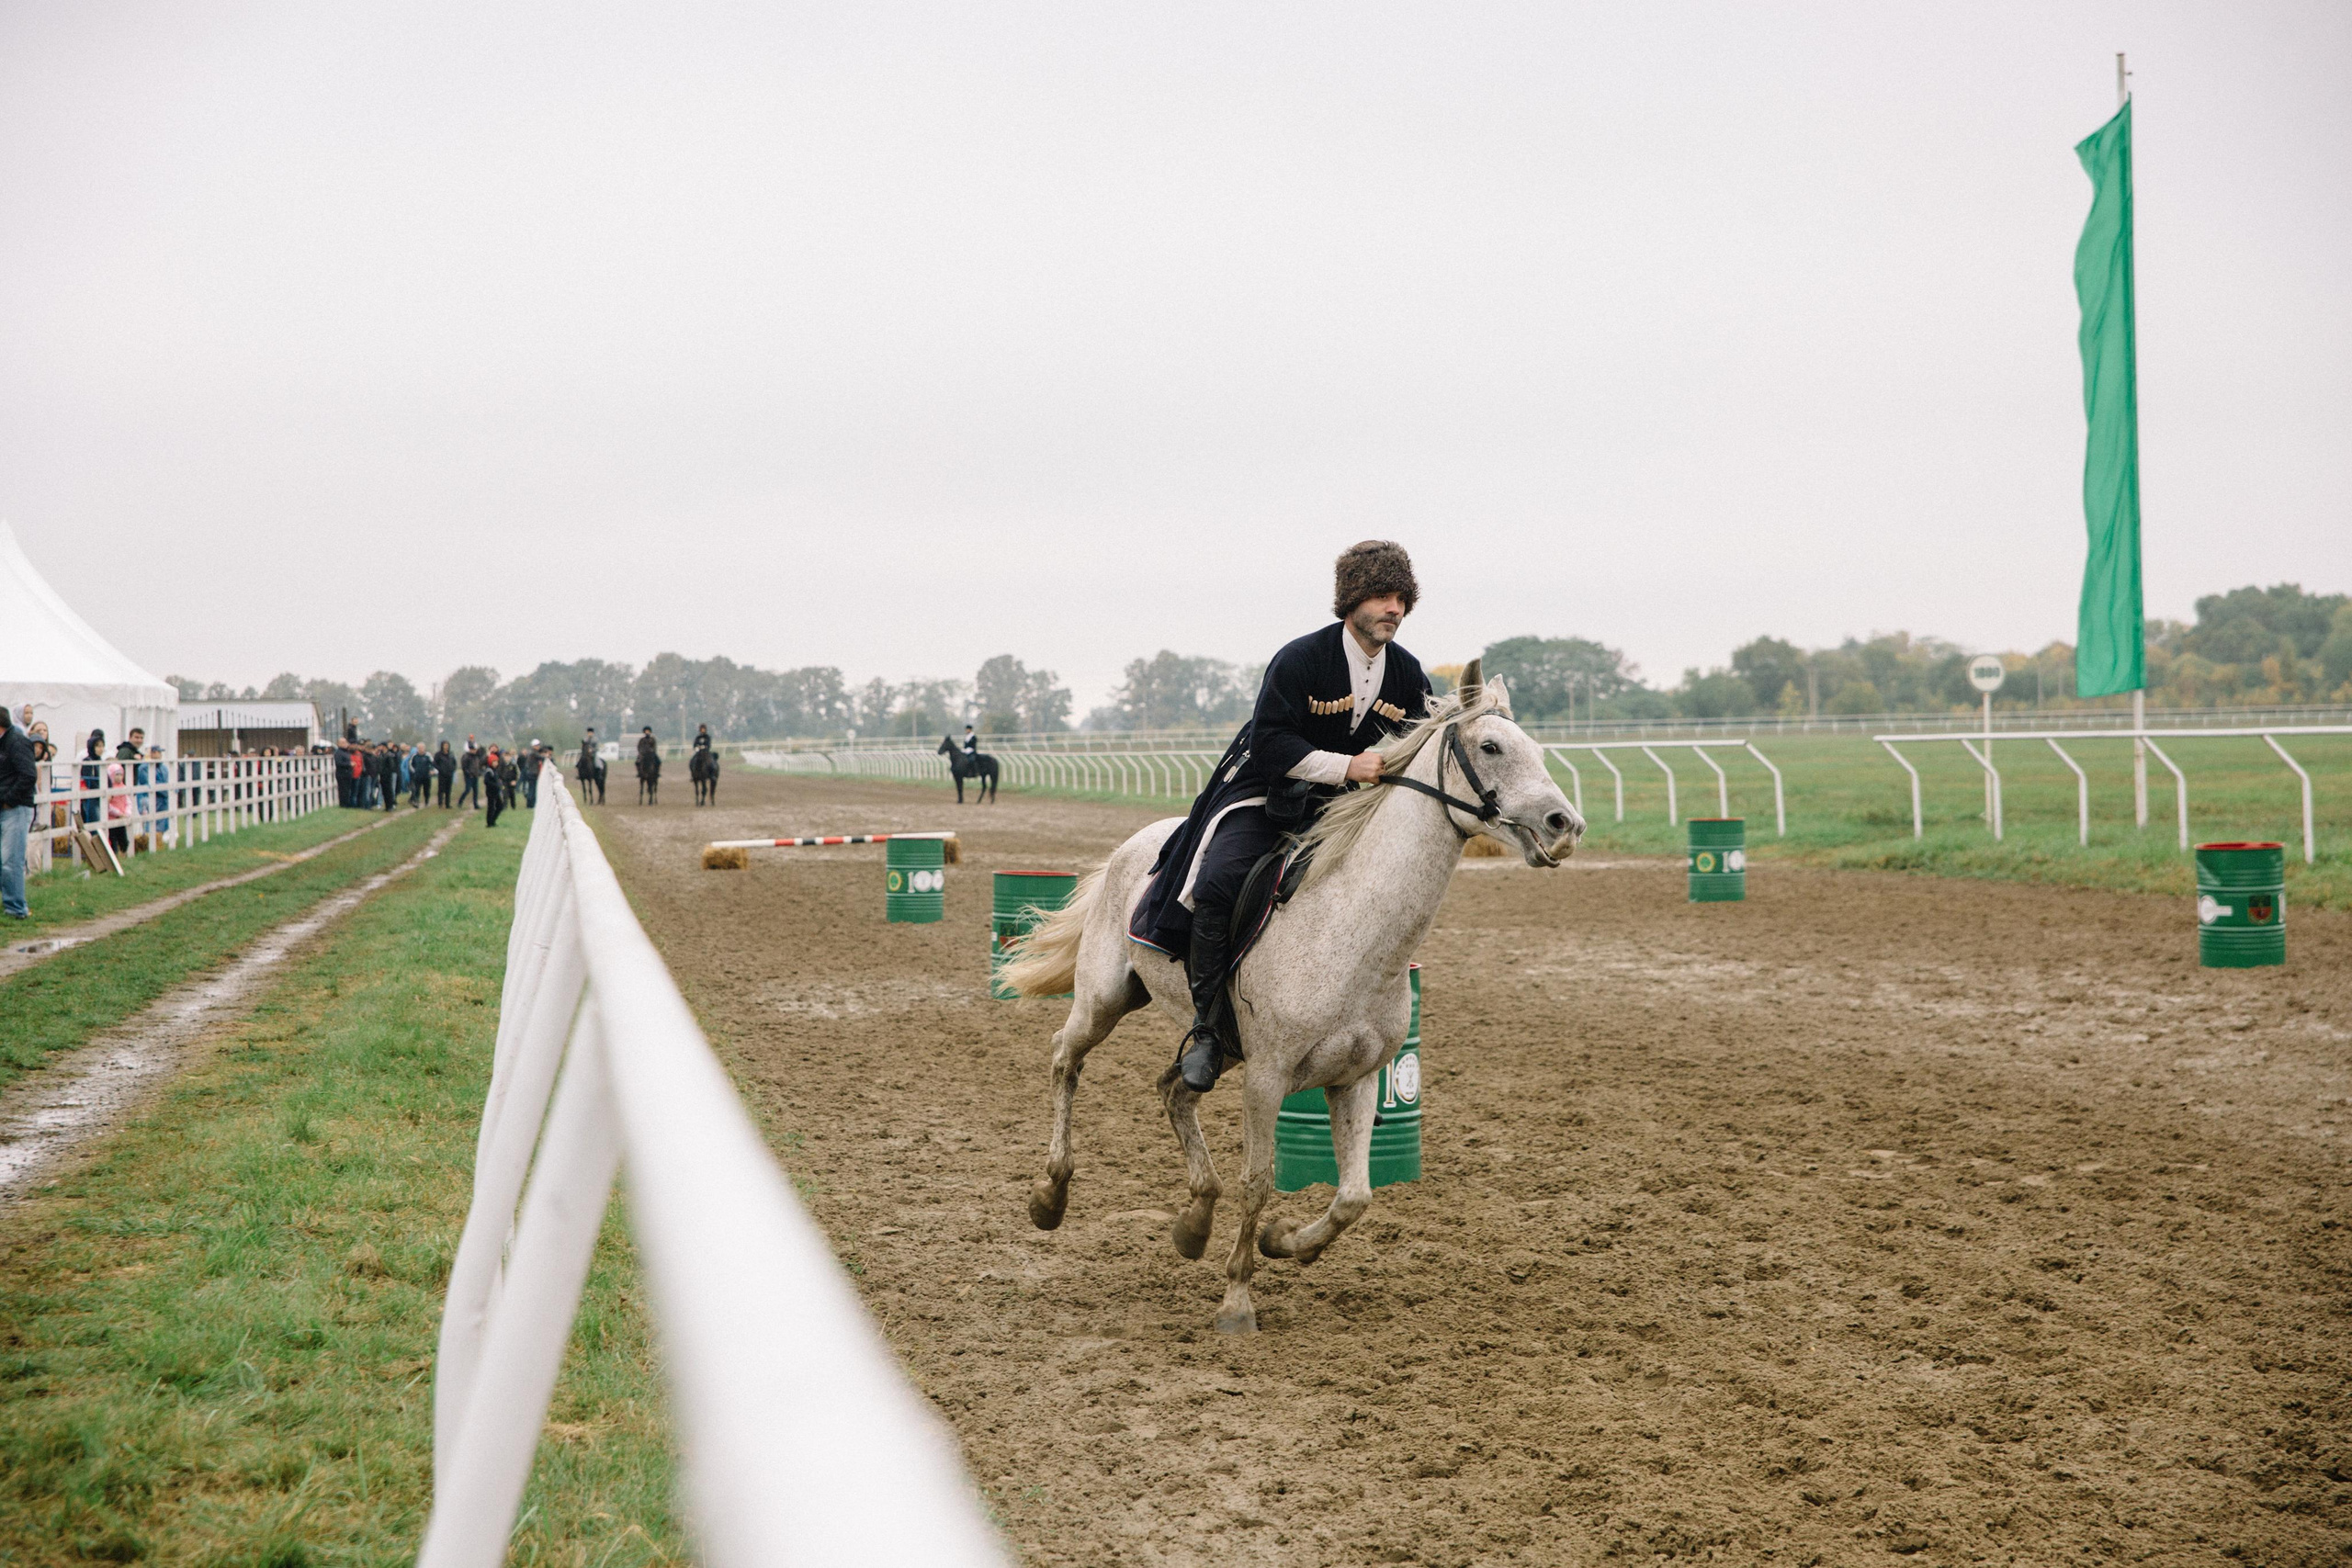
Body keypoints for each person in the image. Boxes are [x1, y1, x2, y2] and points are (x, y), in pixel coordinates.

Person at [1131, 540, 1432, 1093]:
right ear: (1351, 601)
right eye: (1382, 597)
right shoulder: (1299, 658)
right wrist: (1348, 766)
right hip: (1264, 793)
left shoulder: (1411, 675)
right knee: (1218, 883)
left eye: (1402, 599)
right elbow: (1270, 744)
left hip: (1347, 814)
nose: (1394, 608)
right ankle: (1207, 1032)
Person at [1, 705, 37, 919]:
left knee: (11, 860)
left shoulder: (17, 742)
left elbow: (28, 776)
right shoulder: (6, 743)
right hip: (7, 806)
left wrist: (9, 800)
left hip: (15, 808)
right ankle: (11, 902)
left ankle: (16, 908)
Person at [484, 746, 507, 827]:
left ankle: (493, 821)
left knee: (500, 806)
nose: (496, 763)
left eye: (496, 762)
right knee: (491, 808)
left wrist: (499, 784)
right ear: (491, 762)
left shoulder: (495, 770)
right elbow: (486, 781)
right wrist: (496, 785)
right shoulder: (489, 771)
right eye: (494, 762)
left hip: (496, 792)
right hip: (491, 792)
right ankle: (489, 823)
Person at [459, 737, 484, 809]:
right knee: (467, 790)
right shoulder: (466, 756)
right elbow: (464, 767)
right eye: (472, 750)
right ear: (470, 750)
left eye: (475, 750)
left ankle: (475, 804)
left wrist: (479, 772)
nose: (474, 751)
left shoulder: (476, 757)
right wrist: (468, 773)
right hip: (469, 776)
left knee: (476, 791)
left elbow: (479, 764)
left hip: (475, 776)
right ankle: (460, 801)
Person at [434, 740, 457, 807]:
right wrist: (440, 769)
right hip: (442, 775)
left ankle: (447, 804)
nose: (446, 747)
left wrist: (453, 769)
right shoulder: (438, 754)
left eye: (447, 745)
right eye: (445, 745)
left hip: (450, 774)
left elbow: (454, 762)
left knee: (448, 789)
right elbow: (434, 763)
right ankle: (440, 803)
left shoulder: (451, 754)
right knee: (441, 789)